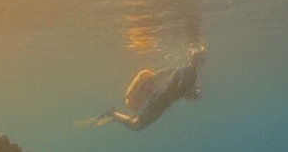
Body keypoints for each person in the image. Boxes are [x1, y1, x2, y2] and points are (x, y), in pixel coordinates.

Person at [76, 46, 206, 131]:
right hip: (159, 102)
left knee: (136, 125)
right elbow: (181, 91)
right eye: (200, 59)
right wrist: (194, 94)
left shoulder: (187, 72)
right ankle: (113, 114)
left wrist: (193, 93)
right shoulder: (188, 73)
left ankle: (113, 114)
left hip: (160, 102)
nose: (200, 62)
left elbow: (180, 90)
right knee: (136, 125)